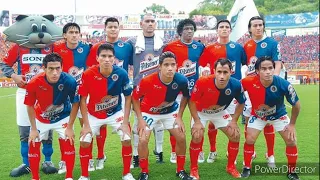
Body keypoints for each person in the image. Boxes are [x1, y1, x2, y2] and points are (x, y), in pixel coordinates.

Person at [132, 51, 192, 180]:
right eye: (166, 65)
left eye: (173, 65)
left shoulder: (181, 80)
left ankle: (180, 170)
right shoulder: (147, 80)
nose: (170, 68)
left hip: (170, 112)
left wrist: (180, 116)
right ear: (160, 66)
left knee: (181, 137)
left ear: (177, 66)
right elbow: (135, 98)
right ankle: (144, 172)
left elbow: (186, 96)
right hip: (149, 113)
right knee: (143, 140)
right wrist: (140, 119)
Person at [78, 44, 134, 180]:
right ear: (97, 58)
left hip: (115, 114)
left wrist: (125, 122)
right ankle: (85, 175)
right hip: (94, 115)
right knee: (84, 141)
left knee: (126, 138)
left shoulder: (121, 73)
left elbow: (128, 98)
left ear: (114, 58)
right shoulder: (88, 74)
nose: (107, 59)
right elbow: (83, 100)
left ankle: (127, 173)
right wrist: (86, 124)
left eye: (110, 56)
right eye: (103, 56)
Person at [240, 56, 300, 180]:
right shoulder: (247, 81)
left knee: (291, 141)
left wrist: (292, 125)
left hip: (279, 116)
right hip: (258, 116)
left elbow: (297, 105)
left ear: (273, 69)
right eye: (263, 69)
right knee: (249, 139)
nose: (267, 71)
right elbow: (234, 89)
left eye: (270, 68)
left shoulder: (283, 84)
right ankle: (247, 167)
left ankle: (292, 171)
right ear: (257, 71)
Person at [85, 17, 133, 170]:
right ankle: (98, 155)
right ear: (105, 29)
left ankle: (131, 159)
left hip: (118, 91)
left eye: (115, 27)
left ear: (119, 29)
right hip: (98, 91)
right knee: (96, 126)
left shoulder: (126, 46)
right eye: (110, 27)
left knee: (126, 127)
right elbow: (90, 67)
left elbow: (134, 63)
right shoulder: (96, 48)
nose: (113, 29)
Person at [198, 19, 247, 163]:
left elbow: (243, 64)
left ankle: (229, 151)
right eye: (221, 27)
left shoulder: (238, 47)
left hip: (232, 91)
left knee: (232, 122)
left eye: (227, 27)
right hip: (214, 90)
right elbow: (202, 65)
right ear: (217, 30)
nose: (224, 29)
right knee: (213, 121)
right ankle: (212, 151)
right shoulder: (210, 48)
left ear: (230, 30)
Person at [188, 58, 245, 179]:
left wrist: (234, 121)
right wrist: (197, 121)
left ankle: (230, 167)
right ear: (214, 71)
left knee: (235, 135)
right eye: (219, 72)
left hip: (219, 112)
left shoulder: (236, 84)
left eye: (225, 72)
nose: (222, 76)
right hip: (201, 112)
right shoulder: (203, 82)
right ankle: (194, 169)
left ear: (231, 72)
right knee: (197, 135)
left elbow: (241, 102)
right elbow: (192, 102)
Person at [25, 53, 79, 180]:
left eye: (58, 68)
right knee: (33, 142)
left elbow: (75, 103)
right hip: (41, 118)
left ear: (62, 67)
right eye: (51, 69)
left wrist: (70, 126)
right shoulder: (34, 82)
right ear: (44, 68)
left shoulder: (70, 81)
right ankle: (35, 177)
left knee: (69, 140)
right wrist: (33, 129)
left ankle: (69, 177)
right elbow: (29, 105)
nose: (55, 72)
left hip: (63, 117)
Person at [163, 18, 205, 163]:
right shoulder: (170, 47)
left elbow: (205, 65)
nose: (189, 31)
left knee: (198, 121)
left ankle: (199, 151)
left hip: (195, 91)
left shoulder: (199, 47)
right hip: (176, 91)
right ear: (180, 31)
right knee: (174, 120)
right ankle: (174, 152)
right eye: (186, 28)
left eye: (191, 29)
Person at [243, 16, 282, 167]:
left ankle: (270, 154)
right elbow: (244, 67)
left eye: (260, 25)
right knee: (248, 119)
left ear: (264, 27)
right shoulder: (246, 45)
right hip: (251, 90)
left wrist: (273, 81)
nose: (258, 28)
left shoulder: (272, 43)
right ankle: (251, 152)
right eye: (255, 25)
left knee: (268, 119)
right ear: (250, 28)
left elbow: (277, 63)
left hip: (268, 87)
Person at [127, 13, 166, 167]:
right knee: (138, 123)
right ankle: (136, 155)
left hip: (159, 88)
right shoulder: (132, 43)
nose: (150, 24)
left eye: (152, 21)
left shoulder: (162, 44)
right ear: (141, 24)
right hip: (139, 89)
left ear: (155, 24)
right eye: (147, 21)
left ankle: (159, 151)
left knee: (159, 123)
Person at [53, 22, 91, 174]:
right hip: (63, 94)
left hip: (82, 94)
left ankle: (88, 160)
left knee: (86, 126)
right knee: (64, 128)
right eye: (71, 32)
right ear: (64, 35)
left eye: (77, 32)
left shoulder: (87, 48)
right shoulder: (56, 49)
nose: (74, 35)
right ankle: (63, 160)